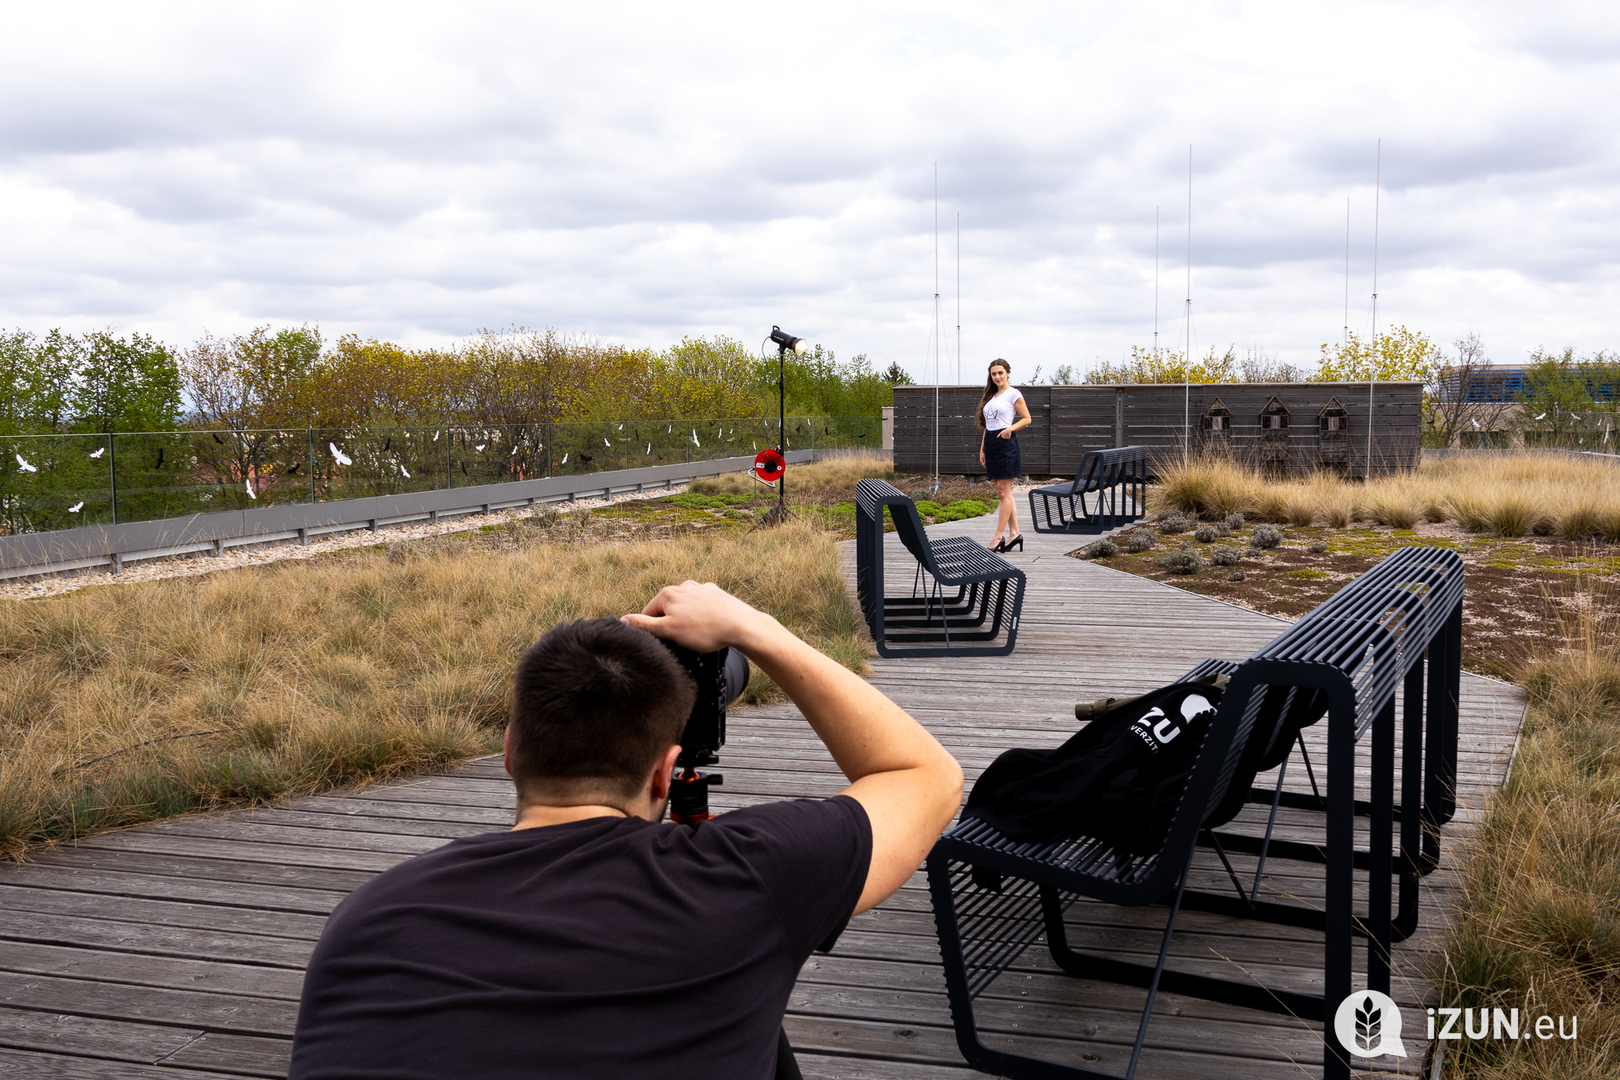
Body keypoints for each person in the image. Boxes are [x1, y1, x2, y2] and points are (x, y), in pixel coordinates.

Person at [288, 580, 963, 1080]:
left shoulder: (367, 922)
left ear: (510, 753)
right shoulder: (746, 881)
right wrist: (755, 628)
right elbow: (928, 777)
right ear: (667, 774)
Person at [977, 357, 1033, 552]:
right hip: (991, 443)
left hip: (1005, 443)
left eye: (1000, 373)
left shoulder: (1013, 394)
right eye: (993, 374)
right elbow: (987, 426)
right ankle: (1015, 533)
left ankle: (998, 537)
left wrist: (1010, 429)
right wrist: (983, 449)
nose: (997, 376)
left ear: (1008, 373)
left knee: (1003, 492)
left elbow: (1027, 418)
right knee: (1004, 493)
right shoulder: (991, 396)